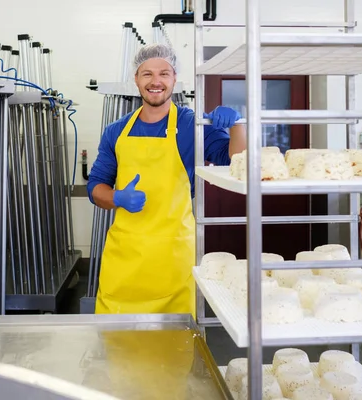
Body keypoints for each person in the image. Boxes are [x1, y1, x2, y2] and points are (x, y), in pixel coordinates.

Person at [87, 43, 246, 317]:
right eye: (147, 74)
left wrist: (238, 124)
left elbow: (236, 161)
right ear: (136, 79)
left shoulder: (192, 125)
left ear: (175, 79)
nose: (156, 81)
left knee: (175, 347)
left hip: (173, 259)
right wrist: (116, 198)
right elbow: (95, 187)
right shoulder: (116, 130)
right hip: (126, 258)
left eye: (164, 73)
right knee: (116, 346)